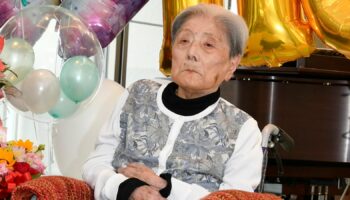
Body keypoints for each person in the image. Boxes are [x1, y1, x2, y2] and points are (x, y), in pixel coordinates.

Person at [83, 3, 263, 200]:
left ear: (232, 65)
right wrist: (130, 188)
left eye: (208, 45)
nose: (191, 53)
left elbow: (235, 197)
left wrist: (165, 186)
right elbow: (96, 164)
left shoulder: (243, 128)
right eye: (184, 41)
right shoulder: (138, 94)